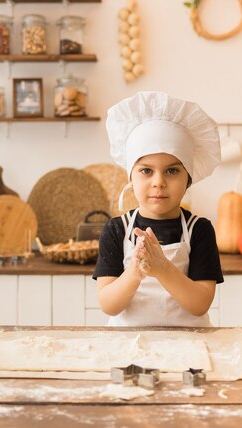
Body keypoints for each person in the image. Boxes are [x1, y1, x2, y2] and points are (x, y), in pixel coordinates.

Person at [93, 91, 224, 327]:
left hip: (188, 348)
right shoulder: (116, 230)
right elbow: (108, 305)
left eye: (172, 171)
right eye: (146, 171)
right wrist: (135, 271)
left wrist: (163, 268)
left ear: (189, 179)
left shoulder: (199, 230)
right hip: (127, 347)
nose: (159, 182)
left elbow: (200, 304)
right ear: (130, 177)